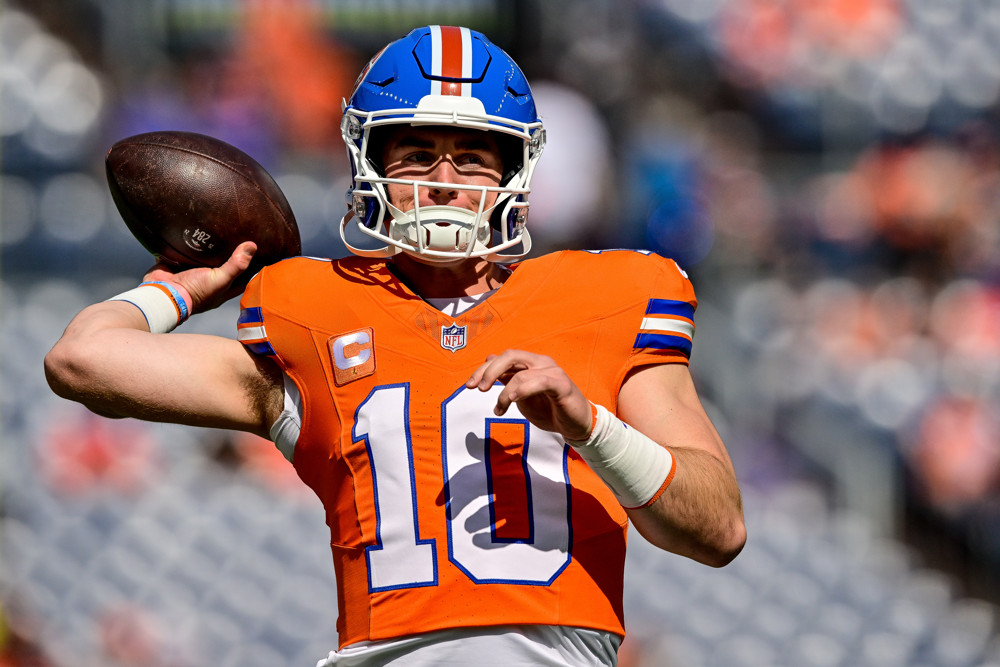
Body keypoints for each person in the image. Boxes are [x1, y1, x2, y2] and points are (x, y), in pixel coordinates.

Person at [45, 25, 745, 666]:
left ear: (513, 176)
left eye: (471, 158)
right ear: (365, 162)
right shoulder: (311, 313)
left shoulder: (609, 296)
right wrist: (189, 286)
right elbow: (82, 359)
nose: (442, 179)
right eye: (415, 154)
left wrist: (590, 425)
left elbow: (718, 527)